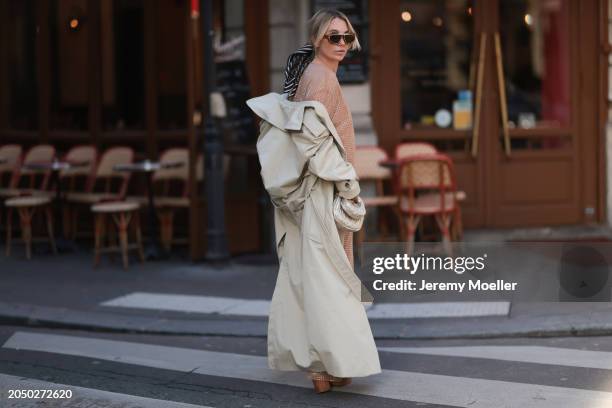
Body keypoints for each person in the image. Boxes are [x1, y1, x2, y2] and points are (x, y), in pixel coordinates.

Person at [248, 8, 381, 394]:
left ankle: (328, 367)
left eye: (346, 37)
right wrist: (347, 183)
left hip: (319, 194)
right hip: (325, 194)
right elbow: (313, 145)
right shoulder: (321, 79)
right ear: (317, 39)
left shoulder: (316, 75)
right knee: (331, 282)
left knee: (323, 280)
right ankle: (325, 368)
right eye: (332, 37)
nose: (341, 44)